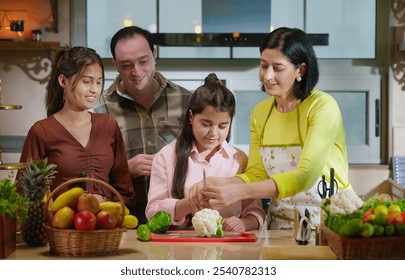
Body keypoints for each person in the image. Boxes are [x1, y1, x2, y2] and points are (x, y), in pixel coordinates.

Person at [198, 27, 353, 230]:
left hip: (330, 224)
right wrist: (219, 183)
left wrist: (239, 192)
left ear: (301, 70)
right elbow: (257, 174)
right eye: (263, 65)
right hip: (280, 225)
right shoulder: (260, 113)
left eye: (277, 68)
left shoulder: (322, 107)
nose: (267, 76)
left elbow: (305, 176)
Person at [93, 26, 191, 224]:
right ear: (115, 64)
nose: (136, 72)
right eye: (126, 65)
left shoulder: (187, 100)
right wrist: (124, 169)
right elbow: (89, 175)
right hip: (121, 222)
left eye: (143, 61)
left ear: (154, 54)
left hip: (180, 221)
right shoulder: (99, 109)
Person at [18, 46, 134, 209]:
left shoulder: (109, 125)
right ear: (63, 81)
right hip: (63, 228)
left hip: (107, 226)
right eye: (86, 81)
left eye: (99, 82)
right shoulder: (42, 131)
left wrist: (112, 213)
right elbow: (25, 192)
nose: (94, 89)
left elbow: (125, 189)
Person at [146, 73, 265, 232]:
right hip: (179, 251)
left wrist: (244, 223)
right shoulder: (166, 156)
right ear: (190, 117)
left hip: (230, 251)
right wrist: (191, 202)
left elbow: (256, 212)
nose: (214, 133)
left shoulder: (240, 160)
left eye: (222, 126)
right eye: (206, 124)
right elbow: (152, 214)